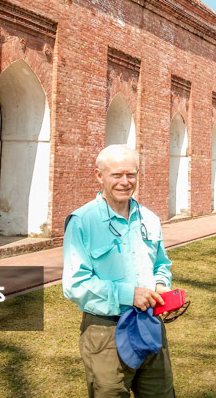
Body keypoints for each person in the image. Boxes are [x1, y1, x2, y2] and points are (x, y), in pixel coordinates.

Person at [63, 144, 176, 398]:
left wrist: (161, 286)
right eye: (117, 175)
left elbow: (161, 264)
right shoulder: (82, 222)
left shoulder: (149, 218)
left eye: (131, 174)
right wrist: (128, 294)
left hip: (149, 324)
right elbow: (75, 285)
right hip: (106, 333)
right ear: (99, 176)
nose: (125, 182)